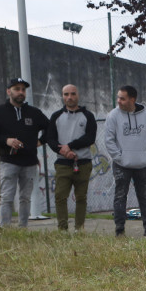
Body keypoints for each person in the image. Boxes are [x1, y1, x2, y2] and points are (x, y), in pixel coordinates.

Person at [0, 77, 49, 228]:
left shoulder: (34, 113)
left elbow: (50, 127)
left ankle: (22, 228)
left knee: (25, 198)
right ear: (8, 91)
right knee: (6, 197)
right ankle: (5, 228)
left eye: (23, 89)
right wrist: (6, 141)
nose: (20, 92)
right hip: (8, 161)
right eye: (16, 89)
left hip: (30, 162)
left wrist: (40, 141)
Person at [104, 84, 146, 237]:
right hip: (122, 164)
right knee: (120, 196)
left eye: (122, 98)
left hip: (142, 164)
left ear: (132, 99)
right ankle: (120, 230)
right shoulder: (113, 116)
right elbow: (109, 140)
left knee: (144, 196)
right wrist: (120, 157)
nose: (119, 101)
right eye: (118, 98)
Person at [45, 84, 97, 232]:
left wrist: (70, 146)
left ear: (78, 95)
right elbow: (50, 139)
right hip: (62, 163)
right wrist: (65, 152)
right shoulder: (56, 116)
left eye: (73, 94)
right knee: (60, 197)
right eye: (66, 94)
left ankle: (79, 228)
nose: (70, 97)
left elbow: (90, 138)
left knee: (81, 197)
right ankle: (62, 229)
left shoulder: (88, 116)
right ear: (62, 96)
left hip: (83, 163)